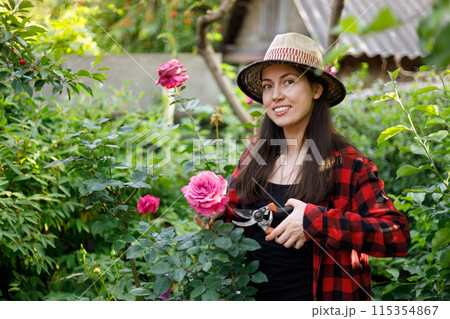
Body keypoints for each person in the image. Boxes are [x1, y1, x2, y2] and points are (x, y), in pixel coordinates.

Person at [193, 33, 410, 301]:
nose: (276, 96)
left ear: (316, 89)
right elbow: (237, 216)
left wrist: (314, 221)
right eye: (268, 86)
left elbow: (396, 236)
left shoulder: (348, 164)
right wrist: (213, 212)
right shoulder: (254, 156)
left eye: (289, 82)